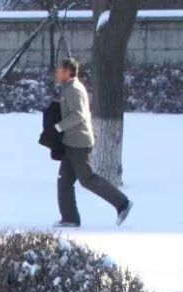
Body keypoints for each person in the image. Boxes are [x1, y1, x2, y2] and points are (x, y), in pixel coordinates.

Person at [53, 58, 133, 228]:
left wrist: (58, 127)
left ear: (68, 72)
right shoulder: (68, 88)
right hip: (71, 142)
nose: (57, 73)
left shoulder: (74, 89)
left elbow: (78, 115)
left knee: (87, 179)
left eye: (59, 70)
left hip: (78, 143)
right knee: (64, 181)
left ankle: (123, 203)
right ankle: (70, 218)